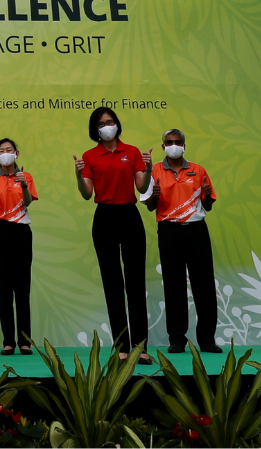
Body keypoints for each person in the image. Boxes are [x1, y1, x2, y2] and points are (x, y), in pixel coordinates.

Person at [74, 107, 153, 365]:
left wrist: (149, 169)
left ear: (117, 124)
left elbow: (141, 186)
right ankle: (121, 346)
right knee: (112, 283)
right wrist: (78, 174)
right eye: (101, 123)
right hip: (104, 218)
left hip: (130, 216)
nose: (107, 126)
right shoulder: (89, 156)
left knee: (135, 283)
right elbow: (86, 193)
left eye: (110, 121)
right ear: (94, 129)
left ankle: (140, 346)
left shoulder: (131, 152)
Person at [144, 128, 223, 354]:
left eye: (178, 141)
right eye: (169, 142)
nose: (174, 145)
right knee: (174, 285)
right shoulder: (155, 171)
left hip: (197, 230)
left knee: (204, 285)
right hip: (169, 231)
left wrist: (207, 195)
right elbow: (150, 206)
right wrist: (155, 196)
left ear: (184, 146)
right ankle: (177, 339)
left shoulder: (198, 170)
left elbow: (207, 205)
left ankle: (207, 339)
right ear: (163, 147)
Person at [0, 138, 37, 356]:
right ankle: (8, 341)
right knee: (3, 288)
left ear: (17, 153)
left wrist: (23, 184)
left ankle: (25, 341)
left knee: (22, 288)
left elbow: (28, 202)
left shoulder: (26, 176)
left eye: (9, 150)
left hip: (21, 231)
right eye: (1, 151)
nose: (6, 153)